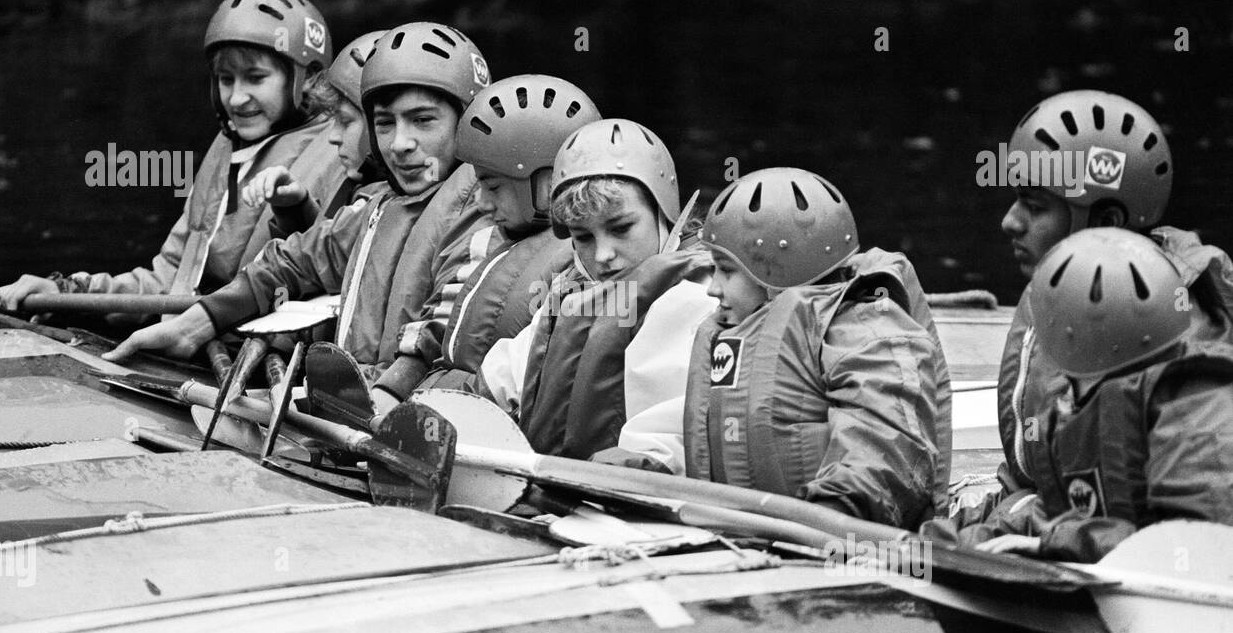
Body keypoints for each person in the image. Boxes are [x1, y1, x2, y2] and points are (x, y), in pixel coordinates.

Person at [928, 90, 1233, 541]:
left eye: (1034, 206)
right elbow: (1037, 487)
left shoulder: (1179, 337)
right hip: (1061, 528)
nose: (1009, 222)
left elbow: (1199, 541)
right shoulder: (1059, 295)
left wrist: (1045, 540)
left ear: (1107, 222)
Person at [104, 21, 494, 374]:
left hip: (398, 411)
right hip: (355, 405)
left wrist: (381, 396)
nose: (401, 144)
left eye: (423, 120)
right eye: (385, 123)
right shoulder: (377, 208)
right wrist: (196, 325)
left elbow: (441, 333)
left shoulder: (484, 213)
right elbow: (291, 261)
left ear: (467, 122)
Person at [0, 0, 344, 322]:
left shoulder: (339, 150)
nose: (236, 98)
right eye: (226, 79)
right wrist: (68, 292)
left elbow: (326, 273)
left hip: (248, 350)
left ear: (307, 78)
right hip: (191, 340)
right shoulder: (228, 145)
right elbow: (168, 281)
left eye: (255, 78)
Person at [678, 168, 950, 529]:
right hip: (748, 537)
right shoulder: (730, 334)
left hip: (835, 539)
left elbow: (884, 443)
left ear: (776, 276)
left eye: (725, 270)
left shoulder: (866, 333)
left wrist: (834, 512)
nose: (712, 288)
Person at [972, 228, 1233, 562]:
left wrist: (1062, 544)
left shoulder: (1197, 403)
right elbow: (1049, 519)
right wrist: (936, 544)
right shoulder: (1072, 409)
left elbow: (1198, 548)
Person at [479, 119, 716, 473]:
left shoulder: (695, 298)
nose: (603, 255)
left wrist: (624, 474)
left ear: (664, 212)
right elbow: (502, 379)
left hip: (628, 497)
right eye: (583, 237)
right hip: (554, 490)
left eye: (621, 228)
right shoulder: (570, 292)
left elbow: (673, 431)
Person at [369, 74, 599, 406]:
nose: (481, 202)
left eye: (492, 186)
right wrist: (390, 390)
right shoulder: (501, 242)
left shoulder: (585, 266)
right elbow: (443, 327)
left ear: (547, 182)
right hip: (447, 410)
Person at [239, 29, 387, 224]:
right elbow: (328, 250)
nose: (333, 136)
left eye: (345, 121)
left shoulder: (395, 205)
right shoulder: (358, 186)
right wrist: (297, 208)